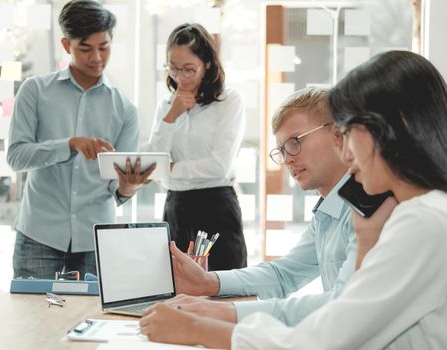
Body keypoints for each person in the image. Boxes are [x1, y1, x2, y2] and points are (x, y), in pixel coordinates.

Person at [139, 50, 447, 349]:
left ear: (393, 127)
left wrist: (200, 329)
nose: (346, 148)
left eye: (349, 131)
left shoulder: (425, 221)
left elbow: (326, 337)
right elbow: (342, 313)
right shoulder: (428, 212)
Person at [146, 86, 357, 326]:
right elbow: (282, 274)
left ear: (337, 134)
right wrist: (208, 281)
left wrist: (224, 313)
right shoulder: (327, 212)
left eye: (295, 141)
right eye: (282, 149)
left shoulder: (366, 211)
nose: (287, 158)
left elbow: (342, 306)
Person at [7, 0, 152, 280]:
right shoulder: (35, 92)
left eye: (104, 47)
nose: (96, 57)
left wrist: (128, 187)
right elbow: (16, 156)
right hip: (39, 234)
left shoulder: (125, 110)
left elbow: (117, 194)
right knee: (35, 320)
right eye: (85, 48)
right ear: (66, 45)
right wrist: (68, 145)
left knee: (89, 322)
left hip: (95, 241)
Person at [144, 23, 246, 270]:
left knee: (223, 289)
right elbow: (152, 162)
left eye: (189, 69)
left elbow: (219, 166)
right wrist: (172, 115)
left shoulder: (228, 100)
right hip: (176, 206)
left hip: (216, 205)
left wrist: (170, 169)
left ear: (207, 64)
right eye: (174, 68)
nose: (180, 77)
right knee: (176, 290)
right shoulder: (166, 105)